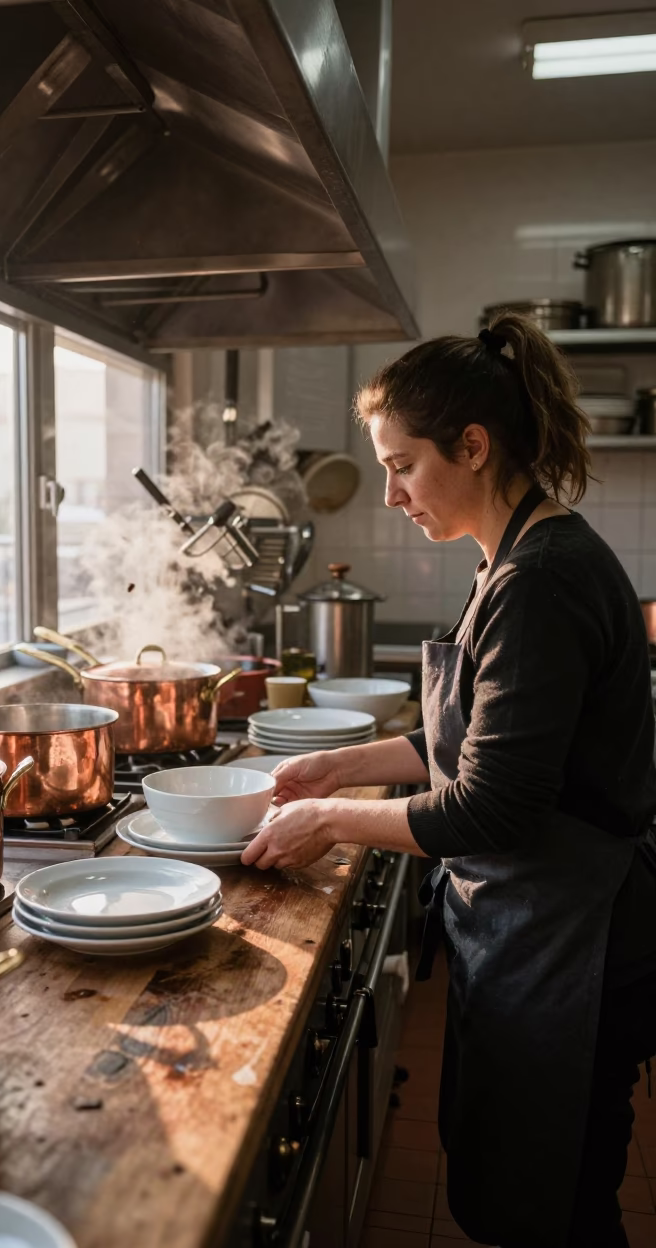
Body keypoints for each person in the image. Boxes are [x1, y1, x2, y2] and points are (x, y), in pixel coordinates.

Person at [241, 313, 656, 1248]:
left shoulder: (540, 580)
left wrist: (330, 818)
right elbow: (475, 747)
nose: (389, 494)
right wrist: (337, 767)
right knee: (531, 1193)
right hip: (537, 930)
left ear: (473, 446)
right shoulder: (509, 557)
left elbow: (492, 802)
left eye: (402, 464)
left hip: (574, 948)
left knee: (562, 1211)